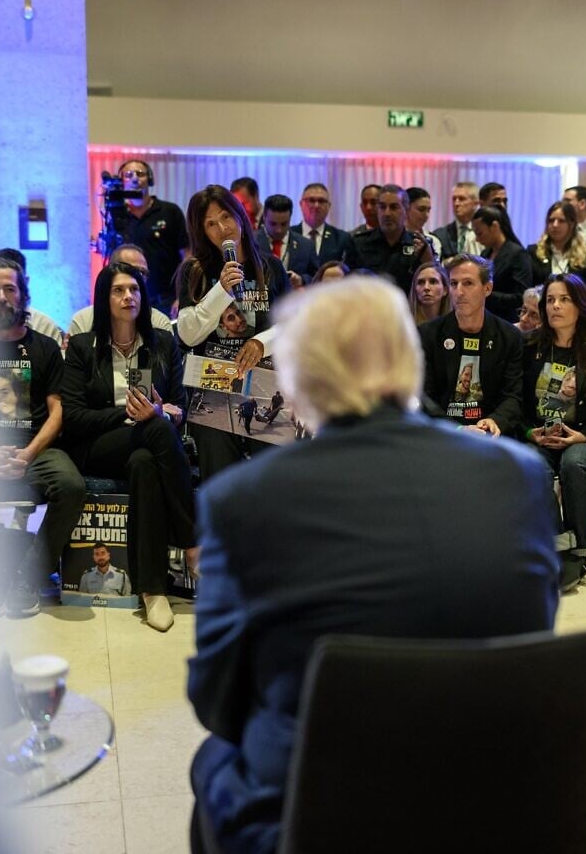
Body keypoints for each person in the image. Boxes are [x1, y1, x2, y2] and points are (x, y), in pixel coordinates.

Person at [187, 276, 559, 854]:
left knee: (213, 761)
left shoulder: (242, 498)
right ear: (410, 362)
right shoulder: (520, 475)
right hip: (485, 804)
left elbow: (216, 698)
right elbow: (534, 634)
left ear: (298, 379)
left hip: (321, 815)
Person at [61, 260, 197, 632]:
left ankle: (152, 592)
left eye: (134, 289)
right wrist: (130, 414)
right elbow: (73, 417)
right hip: (96, 448)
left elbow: (179, 406)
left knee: (144, 463)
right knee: (153, 429)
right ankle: (192, 543)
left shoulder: (163, 343)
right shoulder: (84, 348)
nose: (127, 296)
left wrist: (163, 413)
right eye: (118, 290)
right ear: (104, 299)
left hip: (146, 447)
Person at [0, 256, 86, 617]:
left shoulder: (44, 347)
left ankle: (28, 572)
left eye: (10, 288)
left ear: (23, 294)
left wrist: (28, 453)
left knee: (71, 486)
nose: (2, 297)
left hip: (36, 451)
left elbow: (57, 410)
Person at [175, 185, 292, 481]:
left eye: (226, 217)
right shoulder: (194, 271)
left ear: (240, 217)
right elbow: (188, 335)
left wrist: (260, 342)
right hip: (213, 387)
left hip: (266, 386)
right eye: (210, 224)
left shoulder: (270, 266)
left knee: (271, 480)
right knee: (221, 480)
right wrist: (220, 291)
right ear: (202, 231)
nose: (222, 229)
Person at [521, 274, 586, 589]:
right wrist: (529, 432)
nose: (555, 306)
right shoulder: (531, 344)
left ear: (580, 305)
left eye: (564, 299)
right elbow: (517, 399)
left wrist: (585, 435)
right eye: (550, 300)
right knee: (531, 465)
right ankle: (557, 545)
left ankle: (578, 550)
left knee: (574, 463)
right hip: (542, 435)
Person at [418, 254, 523, 437]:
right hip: (443, 433)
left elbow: (513, 395)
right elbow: (423, 396)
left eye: (467, 283)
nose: (459, 292)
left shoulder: (509, 336)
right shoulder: (428, 334)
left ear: (487, 288)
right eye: (453, 284)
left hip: (490, 433)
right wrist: (457, 429)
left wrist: (495, 421)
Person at [109, 160, 190, 313]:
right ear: (122, 182)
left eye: (140, 174)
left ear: (150, 179)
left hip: (167, 299)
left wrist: (183, 296)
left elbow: (187, 256)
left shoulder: (169, 211)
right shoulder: (117, 216)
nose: (135, 179)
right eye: (128, 175)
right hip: (129, 300)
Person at [66, 244, 173, 338]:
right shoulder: (82, 321)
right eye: (132, 271)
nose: (139, 278)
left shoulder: (159, 322)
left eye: (143, 273)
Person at [348, 184, 433, 290]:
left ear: (406, 211)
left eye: (394, 207)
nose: (387, 213)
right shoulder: (359, 244)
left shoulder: (419, 246)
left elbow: (433, 281)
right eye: (382, 207)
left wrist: (428, 260)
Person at [471, 204, 533, 321]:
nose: (477, 239)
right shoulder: (485, 254)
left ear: (494, 226)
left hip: (508, 320)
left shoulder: (517, 254)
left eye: (480, 233)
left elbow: (521, 297)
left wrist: (485, 293)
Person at [529, 200, 586, 289]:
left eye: (561, 221)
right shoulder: (534, 252)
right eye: (551, 220)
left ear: (572, 224)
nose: (555, 225)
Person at [255, 193, 318, 283]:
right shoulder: (250, 242)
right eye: (273, 224)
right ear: (264, 217)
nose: (278, 230)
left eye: (284, 224)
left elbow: (317, 278)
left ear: (290, 218)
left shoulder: (306, 245)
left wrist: (301, 280)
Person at [291, 182, 352, 265]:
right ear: (301, 204)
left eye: (321, 201)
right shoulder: (289, 235)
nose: (316, 205)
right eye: (311, 200)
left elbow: (353, 272)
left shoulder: (341, 238)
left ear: (329, 206)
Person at [431, 180, 481, 257]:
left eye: (461, 199)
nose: (456, 203)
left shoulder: (484, 234)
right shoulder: (440, 235)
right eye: (454, 199)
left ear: (476, 203)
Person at [404, 186, 442, 260]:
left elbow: (435, 269)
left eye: (428, 210)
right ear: (406, 208)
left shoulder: (432, 240)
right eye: (421, 209)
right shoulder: (394, 237)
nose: (426, 215)